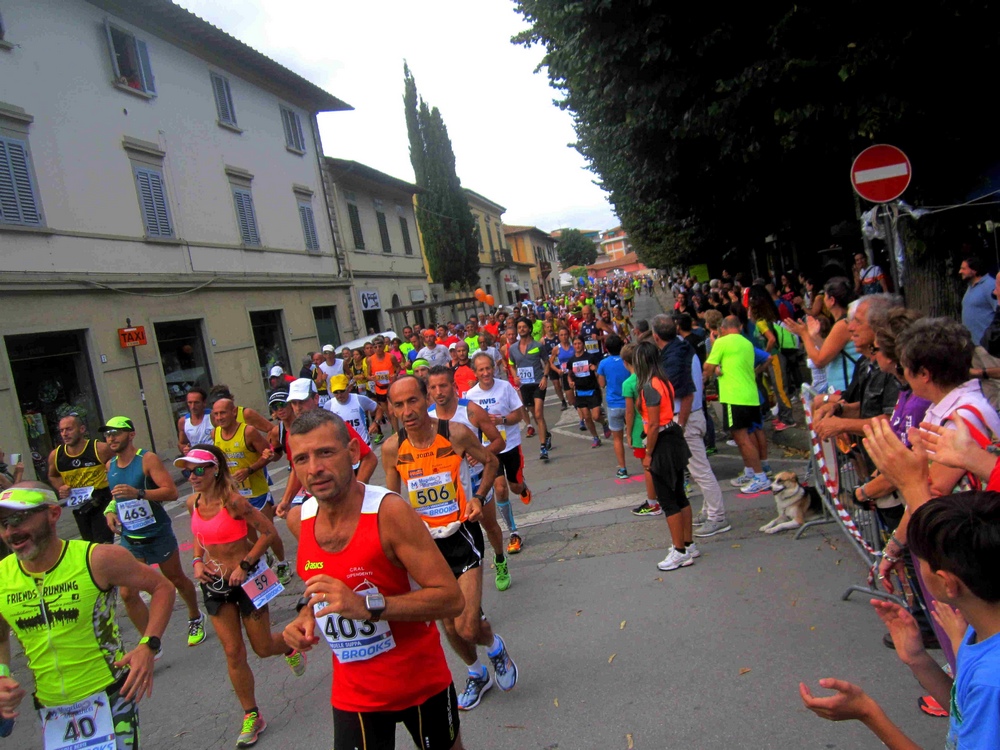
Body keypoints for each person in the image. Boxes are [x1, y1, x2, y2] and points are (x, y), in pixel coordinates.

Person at [282, 409, 467, 750]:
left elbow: (451, 598)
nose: (314, 469)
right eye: (302, 458)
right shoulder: (299, 519)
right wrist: (305, 614)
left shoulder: (389, 512)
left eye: (325, 452)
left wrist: (368, 605)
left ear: (352, 452)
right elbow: (320, 585)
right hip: (355, 694)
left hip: (419, 682)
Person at [800, 491, 1000, 750]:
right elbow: (967, 712)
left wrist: (868, 713)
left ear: (947, 583)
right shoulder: (980, 628)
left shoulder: (991, 681)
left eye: (920, 561)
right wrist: (918, 659)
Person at [0, 482, 176, 748]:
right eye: (3, 523)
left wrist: (148, 645)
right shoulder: (2, 576)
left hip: (108, 697)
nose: (10, 531)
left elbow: (162, 587)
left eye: (19, 518)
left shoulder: (97, 559)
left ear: (53, 514)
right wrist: (2, 673)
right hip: (51, 710)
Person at [382, 377, 518, 712]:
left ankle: (494, 646)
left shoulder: (454, 433)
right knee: (449, 626)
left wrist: (479, 496)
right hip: (425, 547)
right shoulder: (391, 448)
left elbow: (491, 462)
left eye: (412, 401)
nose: (407, 411)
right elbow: (389, 500)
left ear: (426, 397)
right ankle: (476, 673)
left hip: (461, 535)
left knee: (467, 624)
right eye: (398, 405)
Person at [179, 446, 305, 747]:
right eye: (188, 471)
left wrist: (244, 564)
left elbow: (267, 533)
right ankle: (252, 714)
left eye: (199, 470)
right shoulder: (191, 502)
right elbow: (199, 537)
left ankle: (288, 645)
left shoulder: (234, 502)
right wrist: (197, 562)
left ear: (214, 470)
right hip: (215, 584)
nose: (193, 476)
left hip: (248, 580)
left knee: (262, 647)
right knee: (233, 651)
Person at [100, 416, 206, 650]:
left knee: (176, 578)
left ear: (131, 434)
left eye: (116, 432)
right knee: (127, 593)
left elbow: (171, 492)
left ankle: (195, 615)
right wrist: (110, 511)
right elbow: (116, 496)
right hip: (131, 538)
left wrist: (139, 493)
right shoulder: (110, 466)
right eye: (107, 434)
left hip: (157, 533)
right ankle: (150, 642)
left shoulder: (147, 459)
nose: (111, 438)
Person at [426, 367, 510, 591]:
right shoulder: (428, 418)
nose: (439, 391)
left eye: (443, 385)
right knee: (454, 534)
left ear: (454, 387)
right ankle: (462, 577)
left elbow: (499, 442)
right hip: (449, 487)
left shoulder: (471, 411)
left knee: (490, 525)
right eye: (433, 387)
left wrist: (480, 453)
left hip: (477, 481)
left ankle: (500, 559)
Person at [274, 378, 377, 521]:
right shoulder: (292, 434)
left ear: (316, 398)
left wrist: (354, 493)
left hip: (344, 499)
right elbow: (295, 469)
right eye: (294, 403)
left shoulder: (334, 425)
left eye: (302, 401)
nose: (298, 408)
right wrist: (286, 500)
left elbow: (369, 458)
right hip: (316, 502)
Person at [633, 342, 697, 570]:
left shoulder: (649, 386)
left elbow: (652, 426)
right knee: (680, 494)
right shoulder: (664, 381)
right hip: (673, 436)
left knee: (668, 500)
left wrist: (648, 454)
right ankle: (687, 544)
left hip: (662, 442)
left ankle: (679, 551)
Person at [212, 398, 289, 583]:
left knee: (268, 531)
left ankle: (282, 563)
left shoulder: (249, 431)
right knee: (249, 535)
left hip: (257, 492)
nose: (219, 417)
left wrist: (249, 470)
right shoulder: (216, 433)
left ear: (233, 412)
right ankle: (262, 561)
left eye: (223, 413)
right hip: (235, 495)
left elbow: (268, 455)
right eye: (216, 414)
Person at [466, 352, 531, 554]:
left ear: (494, 367)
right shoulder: (471, 396)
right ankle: (514, 532)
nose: (486, 373)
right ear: (475, 373)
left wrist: (500, 420)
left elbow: (518, 414)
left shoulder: (505, 387)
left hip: (510, 445)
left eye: (488, 368)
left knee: (514, 486)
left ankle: (522, 486)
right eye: (481, 370)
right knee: (500, 488)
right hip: (489, 449)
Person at [704, 316, 771, 495]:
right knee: (747, 434)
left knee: (742, 438)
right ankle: (751, 470)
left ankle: (759, 476)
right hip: (750, 395)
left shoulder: (722, 342)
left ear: (723, 329)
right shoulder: (746, 343)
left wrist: (713, 346)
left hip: (735, 397)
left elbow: (708, 367)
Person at [47, 413, 115, 544]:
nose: (65, 434)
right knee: (88, 544)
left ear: (82, 429)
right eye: (61, 430)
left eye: (69, 429)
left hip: (101, 500)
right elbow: (53, 475)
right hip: (79, 505)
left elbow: (118, 465)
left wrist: (110, 472)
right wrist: (61, 487)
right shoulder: (56, 455)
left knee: (102, 544)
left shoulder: (99, 448)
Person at [783, 277, 858, 394]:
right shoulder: (843, 321)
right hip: (845, 385)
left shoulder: (842, 325)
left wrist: (804, 334)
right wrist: (814, 336)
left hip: (848, 387)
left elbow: (819, 361)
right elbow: (829, 351)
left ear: (832, 300)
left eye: (825, 296)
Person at [507, 317, 551, 460]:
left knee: (538, 414)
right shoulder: (513, 348)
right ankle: (547, 434)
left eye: (524, 327)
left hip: (538, 383)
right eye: (519, 327)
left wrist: (545, 377)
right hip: (525, 385)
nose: (521, 329)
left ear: (530, 328)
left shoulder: (538, 345)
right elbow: (511, 364)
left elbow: (547, 362)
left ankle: (543, 447)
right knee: (534, 413)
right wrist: (515, 376)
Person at [598, 335, 632, 478]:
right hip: (630, 402)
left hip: (613, 404)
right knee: (636, 433)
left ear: (607, 348)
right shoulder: (627, 361)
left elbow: (601, 384)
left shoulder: (603, 363)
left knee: (617, 438)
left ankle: (623, 468)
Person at [567, 335, 604, 448]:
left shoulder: (590, 357)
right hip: (580, 392)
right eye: (575, 344)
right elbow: (569, 375)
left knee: (596, 416)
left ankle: (604, 423)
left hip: (592, 390)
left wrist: (595, 369)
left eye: (579, 343)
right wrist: (570, 382)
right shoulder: (571, 360)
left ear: (583, 344)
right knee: (587, 417)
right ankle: (595, 437)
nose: (577, 346)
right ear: (573, 346)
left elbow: (599, 373)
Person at [324, 374, 378, 447]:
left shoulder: (360, 400)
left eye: (342, 391)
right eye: (336, 392)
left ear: (349, 388)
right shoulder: (328, 406)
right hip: (345, 451)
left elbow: (378, 409)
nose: (339, 395)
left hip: (364, 446)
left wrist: (375, 422)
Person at [368, 336, 400, 443]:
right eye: (375, 346)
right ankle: (394, 429)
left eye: (380, 346)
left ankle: (397, 434)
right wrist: (371, 378)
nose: (377, 348)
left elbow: (398, 367)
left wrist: (395, 374)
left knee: (391, 412)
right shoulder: (370, 360)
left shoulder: (390, 357)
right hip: (379, 389)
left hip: (390, 387)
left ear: (384, 346)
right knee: (387, 413)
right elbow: (367, 375)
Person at [961, 256, 998, 346]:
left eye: (963, 269)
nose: (960, 271)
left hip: (987, 347)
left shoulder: (989, 285)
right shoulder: (970, 287)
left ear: (974, 270)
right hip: (973, 345)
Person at [177, 387, 214, 456]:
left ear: (204, 403)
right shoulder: (183, 421)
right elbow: (182, 443)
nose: (193, 406)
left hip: (214, 457)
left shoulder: (213, 416)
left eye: (196, 403)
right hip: (196, 458)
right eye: (190, 403)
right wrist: (185, 449)